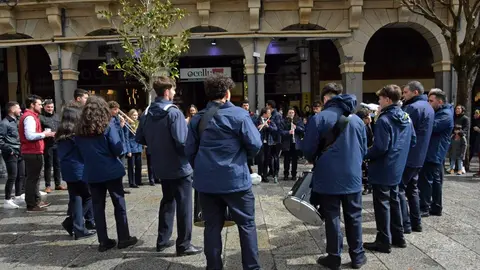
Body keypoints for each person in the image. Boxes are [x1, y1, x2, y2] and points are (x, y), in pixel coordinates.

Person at [186, 73, 263, 270]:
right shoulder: (239, 115)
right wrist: (242, 158)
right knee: (246, 225)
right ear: (227, 93)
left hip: (207, 182)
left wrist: (202, 168)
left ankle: (213, 267)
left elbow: (189, 151)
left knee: (211, 227)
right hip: (235, 180)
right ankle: (251, 267)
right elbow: (255, 144)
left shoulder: (198, 119)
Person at [302, 83, 367, 270]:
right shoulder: (357, 120)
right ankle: (358, 256)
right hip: (353, 176)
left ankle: (334, 256)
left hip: (327, 176)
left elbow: (308, 150)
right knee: (354, 215)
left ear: (325, 99)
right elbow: (363, 149)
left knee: (332, 216)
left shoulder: (319, 118)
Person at [135, 76, 202, 256]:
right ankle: (184, 244)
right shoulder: (174, 113)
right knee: (184, 205)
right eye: (173, 90)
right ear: (166, 91)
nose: (174, 93)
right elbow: (182, 143)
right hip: (180, 167)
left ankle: (162, 240)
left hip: (160, 166)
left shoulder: (148, 112)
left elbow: (139, 138)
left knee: (167, 201)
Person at [75, 96, 137, 252]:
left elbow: (79, 150)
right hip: (110, 170)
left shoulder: (79, 128)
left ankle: (103, 241)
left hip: (92, 171)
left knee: (97, 206)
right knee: (119, 203)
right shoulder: (107, 125)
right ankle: (124, 238)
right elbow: (117, 149)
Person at [363, 85, 415, 254]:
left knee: (382, 205)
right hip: (398, 167)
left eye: (380, 99)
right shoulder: (406, 117)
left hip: (383, 168)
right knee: (395, 201)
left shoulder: (384, 120)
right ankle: (399, 237)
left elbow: (380, 148)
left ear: (387, 99)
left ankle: (384, 241)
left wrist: (364, 154)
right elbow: (413, 140)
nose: (378, 101)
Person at [56, 103, 96, 240]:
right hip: (79, 168)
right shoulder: (77, 134)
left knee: (76, 197)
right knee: (90, 196)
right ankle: (72, 223)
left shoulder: (61, 132)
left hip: (67, 169)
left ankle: (79, 228)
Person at [399, 81, 434, 234]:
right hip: (419, 156)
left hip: (409, 156)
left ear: (415, 93)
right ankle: (416, 222)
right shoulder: (428, 107)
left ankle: (405, 224)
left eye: (405, 92)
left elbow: (403, 130)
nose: (403, 95)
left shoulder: (413, 108)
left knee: (399, 188)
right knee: (413, 188)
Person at [419, 89, 454, 217]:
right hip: (434, 152)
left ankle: (425, 207)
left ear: (440, 101)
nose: (428, 103)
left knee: (428, 180)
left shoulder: (445, 114)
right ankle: (435, 207)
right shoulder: (441, 112)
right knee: (435, 180)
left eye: (431, 101)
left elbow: (431, 126)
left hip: (435, 152)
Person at [19, 95, 55, 212]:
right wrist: (45, 134)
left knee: (35, 178)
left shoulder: (33, 116)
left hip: (34, 150)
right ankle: (31, 204)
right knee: (32, 179)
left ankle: (36, 201)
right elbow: (29, 135)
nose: (41, 106)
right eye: (39, 104)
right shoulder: (29, 117)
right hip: (32, 151)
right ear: (32, 105)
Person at [0, 101, 25, 209]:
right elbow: (0, 139)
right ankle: (7, 200)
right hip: (11, 153)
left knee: (21, 174)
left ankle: (18, 195)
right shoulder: (4, 123)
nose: (20, 110)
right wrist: (9, 150)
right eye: (18, 108)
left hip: (19, 151)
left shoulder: (16, 121)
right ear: (12, 110)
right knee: (12, 176)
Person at [40, 99, 66, 193]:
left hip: (57, 143)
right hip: (47, 144)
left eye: (51, 107)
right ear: (44, 107)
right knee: (48, 165)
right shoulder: (41, 117)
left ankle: (58, 184)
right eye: (48, 107)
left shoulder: (57, 116)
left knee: (57, 165)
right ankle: (47, 185)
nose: (50, 109)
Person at [281, 107, 304, 181]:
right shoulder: (284, 121)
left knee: (295, 160)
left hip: (295, 142)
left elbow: (302, 129)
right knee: (286, 159)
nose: (291, 114)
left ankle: (294, 174)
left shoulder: (298, 120)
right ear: (287, 113)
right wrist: (288, 132)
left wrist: (296, 127)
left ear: (294, 113)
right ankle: (286, 174)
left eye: (292, 113)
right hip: (287, 142)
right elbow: (281, 132)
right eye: (290, 113)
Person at [256, 108, 277, 183]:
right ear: (264, 113)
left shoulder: (270, 121)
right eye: (268, 113)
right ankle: (259, 174)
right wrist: (258, 127)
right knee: (260, 159)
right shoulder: (257, 120)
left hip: (268, 142)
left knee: (267, 160)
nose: (270, 114)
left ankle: (264, 175)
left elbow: (275, 129)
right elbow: (253, 129)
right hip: (260, 142)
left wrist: (268, 127)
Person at [355, 108, 373, 195]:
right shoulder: (360, 127)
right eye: (368, 117)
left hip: (367, 150)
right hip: (361, 151)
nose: (370, 118)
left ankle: (368, 186)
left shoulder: (368, 125)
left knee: (366, 170)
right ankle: (367, 186)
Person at [265, 100, 283, 183]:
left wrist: (269, 125)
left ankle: (276, 172)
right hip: (270, 139)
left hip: (276, 139)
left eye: (267, 105)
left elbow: (278, 128)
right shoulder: (270, 114)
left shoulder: (277, 115)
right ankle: (271, 170)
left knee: (275, 157)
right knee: (269, 156)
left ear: (269, 106)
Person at [124, 109, 143, 188]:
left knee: (139, 165)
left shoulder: (138, 123)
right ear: (130, 115)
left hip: (138, 147)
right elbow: (126, 138)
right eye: (133, 115)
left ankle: (138, 180)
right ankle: (132, 182)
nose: (135, 117)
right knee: (131, 166)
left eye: (136, 115)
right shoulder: (127, 124)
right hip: (131, 148)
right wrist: (128, 150)